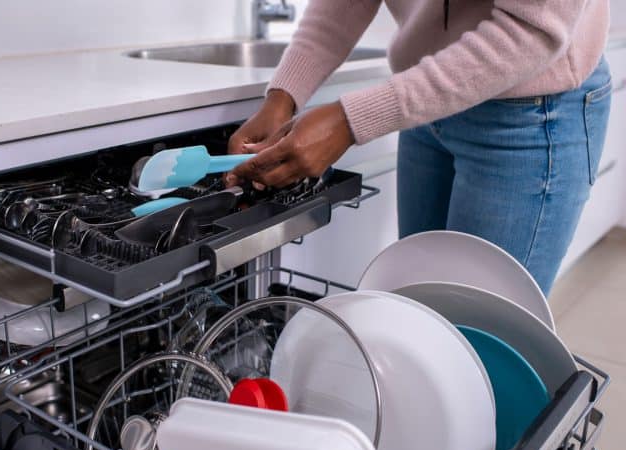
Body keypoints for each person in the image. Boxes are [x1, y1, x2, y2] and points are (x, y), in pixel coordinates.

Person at [227, 0, 612, 295]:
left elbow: (532, 28)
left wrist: (349, 120)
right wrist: (283, 96)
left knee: (481, 343)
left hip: (529, 112)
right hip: (429, 103)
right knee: (420, 312)